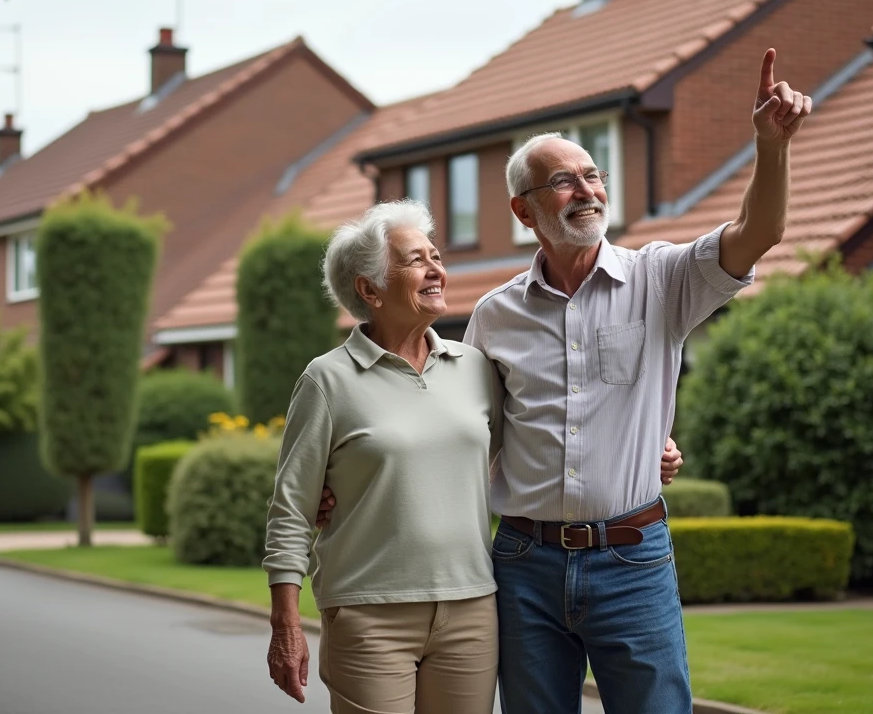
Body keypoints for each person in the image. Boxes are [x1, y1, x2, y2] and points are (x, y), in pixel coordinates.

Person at [316, 48, 811, 714]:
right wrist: (346, 485)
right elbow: (463, 431)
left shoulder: (662, 281)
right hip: (524, 565)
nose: (588, 191)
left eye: (593, 175)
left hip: (633, 559)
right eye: (564, 182)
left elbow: (759, 230)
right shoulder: (494, 316)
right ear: (525, 211)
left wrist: (771, 146)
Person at [263, 200, 684, 714]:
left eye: (436, 256)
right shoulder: (326, 381)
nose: (437, 269)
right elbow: (290, 511)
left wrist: (645, 452)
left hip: (472, 611)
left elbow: (542, 439)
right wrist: (285, 623)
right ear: (369, 289)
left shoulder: (474, 367)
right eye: (415, 260)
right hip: (369, 611)